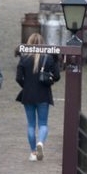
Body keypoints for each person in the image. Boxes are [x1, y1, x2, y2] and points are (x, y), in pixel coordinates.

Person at [16, 32, 60, 162]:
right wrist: (56, 61)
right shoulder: (48, 58)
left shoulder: (24, 58)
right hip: (43, 94)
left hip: (28, 94)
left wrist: (26, 85)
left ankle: (33, 152)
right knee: (43, 124)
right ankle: (40, 142)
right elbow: (57, 76)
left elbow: (18, 78)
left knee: (30, 125)